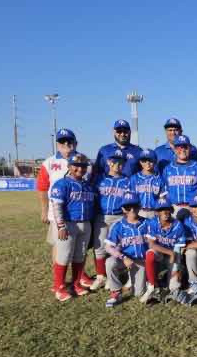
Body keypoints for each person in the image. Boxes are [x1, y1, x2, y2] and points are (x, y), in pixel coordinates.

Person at [36, 128, 92, 287]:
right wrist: (44, 210)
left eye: (70, 141)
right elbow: (42, 187)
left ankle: (79, 277)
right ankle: (59, 282)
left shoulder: (86, 162)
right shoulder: (49, 162)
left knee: (79, 250)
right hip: (59, 215)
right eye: (62, 141)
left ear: (76, 143)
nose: (66, 144)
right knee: (60, 249)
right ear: (57, 144)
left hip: (80, 214)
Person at [49, 153, 95, 302]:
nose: (79, 169)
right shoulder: (62, 184)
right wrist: (61, 226)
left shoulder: (87, 185)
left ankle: (76, 284)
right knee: (63, 256)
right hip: (68, 224)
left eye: (83, 166)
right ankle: (59, 287)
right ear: (69, 166)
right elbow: (57, 207)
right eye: (76, 166)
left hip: (85, 223)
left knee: (80, 256)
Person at [92, 150, 130, 290]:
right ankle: (101, 277)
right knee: (100, 247)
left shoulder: (126, 180)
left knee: (116, 247)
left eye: (121, 162)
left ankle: (113, 276)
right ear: (109, 162)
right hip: (101, 216)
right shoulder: (100, 179)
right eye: (115, 161)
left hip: (118, 216)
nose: (118, 164)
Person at [104, 192, 149, 308]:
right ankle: (116, 291)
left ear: (140, 206)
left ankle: (149, 280)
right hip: (125, 259)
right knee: (110, 262)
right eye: (129, 207)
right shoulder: (118, 225)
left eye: (135, 206)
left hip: (141, 262)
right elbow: (108, 247)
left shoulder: (148, 223)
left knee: (138, 294)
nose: (132, 210)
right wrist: (123, 257)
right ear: (123, 209)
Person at [143, 196, 186, 303]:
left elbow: (179, 248)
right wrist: (169, 252)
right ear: (156, 212)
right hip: (161, 254)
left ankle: (174, 277)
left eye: (167, 209)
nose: (165, 212)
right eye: (161, 209)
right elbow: (152, 244)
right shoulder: (152, 223)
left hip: (174, 255)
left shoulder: (178, 225)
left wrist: (177, 266)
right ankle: (152, 286)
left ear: (171, 210)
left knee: (174, 287)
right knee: (150, 254)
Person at [162, 135, 197, 221]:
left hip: (193, 208)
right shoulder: (168, 169)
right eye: (179, 147)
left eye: (185, 147)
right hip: (173, 208)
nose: (183, 150)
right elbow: (164, 194)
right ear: (175, 149)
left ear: (190, 148)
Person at [129, 149, 164, 219]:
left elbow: (162, 198)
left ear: (155, 161)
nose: (147, 163)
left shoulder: (160, 179)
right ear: (140, 162)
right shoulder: (134, 178)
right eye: (144, 161)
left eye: (150, 160)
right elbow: (130, 198)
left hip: (154, 212)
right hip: (139, 211)